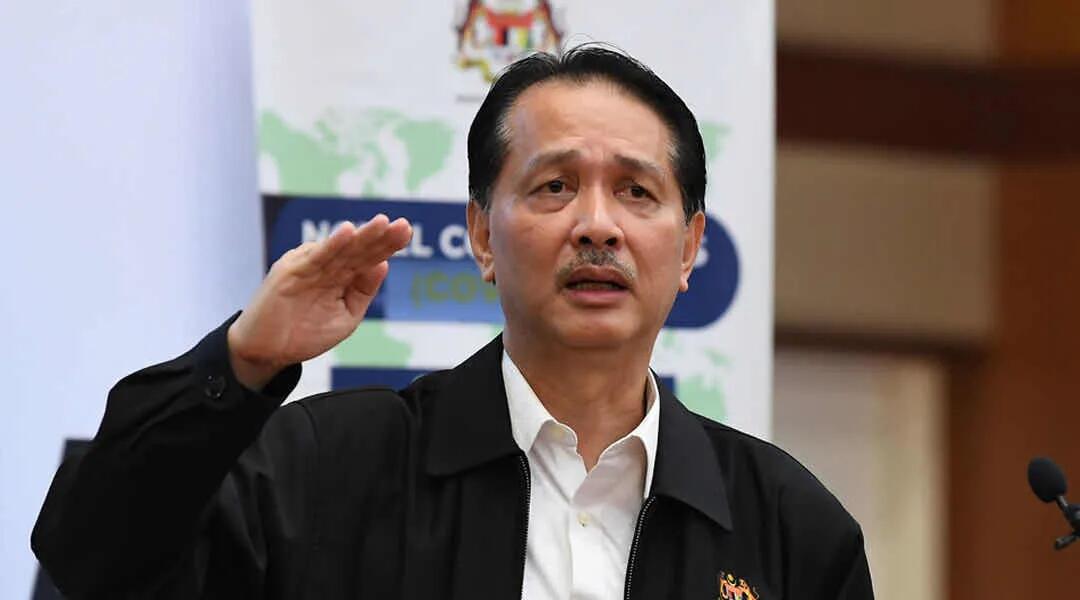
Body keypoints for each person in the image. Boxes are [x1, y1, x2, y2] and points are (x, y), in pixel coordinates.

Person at [33, 45, 873, 599]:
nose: (597, 225)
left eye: (636, 191)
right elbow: (90, 559)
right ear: (480, 236)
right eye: (553, 186)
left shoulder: (789, 525)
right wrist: (239, 363)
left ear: (688, 247)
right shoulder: (326, 469)